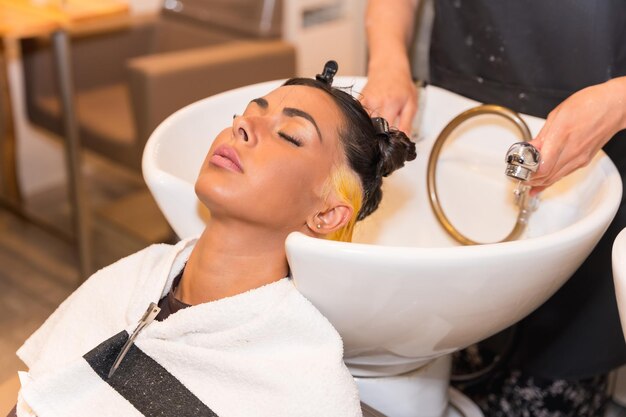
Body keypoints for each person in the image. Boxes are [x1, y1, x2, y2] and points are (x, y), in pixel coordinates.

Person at [9, 63, 417, 417]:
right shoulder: (132, 278)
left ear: (327, 214)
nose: (242, 126)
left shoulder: (301, 380)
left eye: (289, 135)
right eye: (246, 114)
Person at [362, 1, 626, 416]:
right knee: (446, 353)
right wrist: (389, 58)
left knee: (554, 379)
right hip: (462, 116)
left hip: (603, 142)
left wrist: (619, 101)